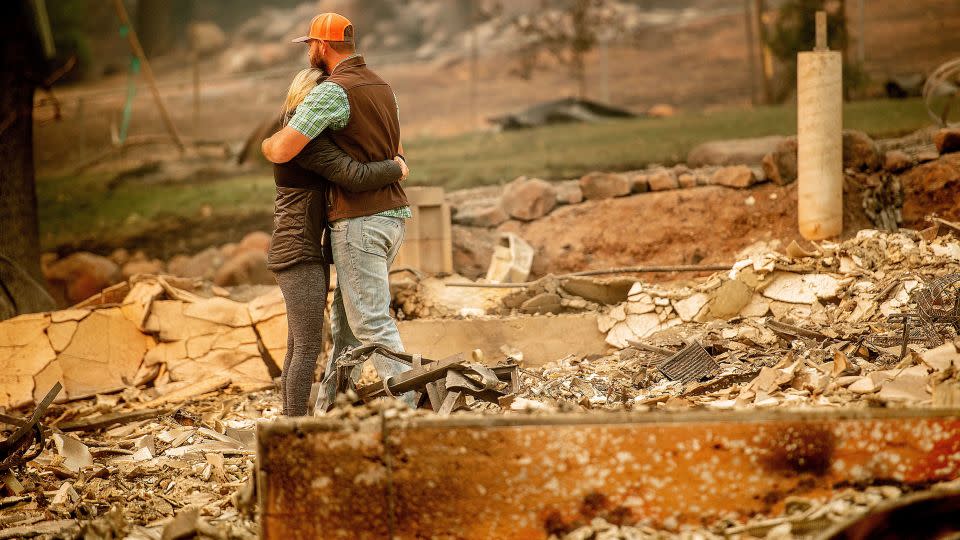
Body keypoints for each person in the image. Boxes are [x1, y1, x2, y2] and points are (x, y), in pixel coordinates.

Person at [262, 13, 416, 410]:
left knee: (370, 323)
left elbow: (281, 149)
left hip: (360, 221)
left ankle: (416, 405)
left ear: (322, 47)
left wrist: (269, 144)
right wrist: (398, 166)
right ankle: (329, 408)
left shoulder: (333, 91)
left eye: (310, 44)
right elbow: (390, 149)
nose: (309, 51)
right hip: (393, 216)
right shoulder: (383, 87)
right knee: (345, 329)